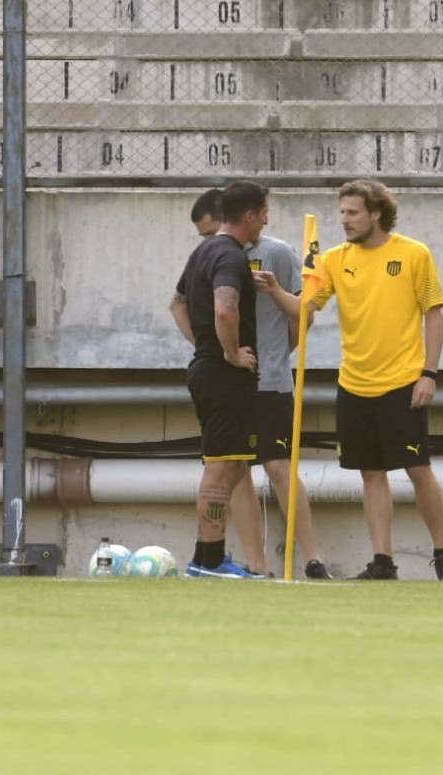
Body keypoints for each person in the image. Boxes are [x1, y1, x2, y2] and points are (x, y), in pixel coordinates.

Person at [255, 179, 443, 581]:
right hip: (353, 383)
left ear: (376, 214)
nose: (344, 220)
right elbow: (305, 307)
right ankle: (382, 561)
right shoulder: (333, 259)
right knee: (370, 472)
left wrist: (429, 373)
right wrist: (276, 290)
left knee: (418, 468)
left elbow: (433, 313)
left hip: (404, 381)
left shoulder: (414, 254)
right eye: (342, 213)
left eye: (352, 212)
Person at [174, 188, 333, 580]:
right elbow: (181, 303)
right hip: (230, 375)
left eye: (210, 228)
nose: (208, 236)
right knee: (233, 468)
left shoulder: (275, 252)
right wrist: (214, 348)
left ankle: (312, 558)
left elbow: (305, 313)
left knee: (277, 465)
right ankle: (253, 564)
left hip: (268, 379)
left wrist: (278, 350)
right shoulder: (219, 253)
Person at [168, 180, 266, 578]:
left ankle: (207, 556)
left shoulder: (203, 251)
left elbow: (177, 303)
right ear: (249, 216)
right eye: (263, 214)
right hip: (224, 372)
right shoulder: (229, 254)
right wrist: (227, 352)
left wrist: (204, 344)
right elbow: (225, 309)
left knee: (231, 463)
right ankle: (209, 560)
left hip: (209, 366)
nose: (265, 222)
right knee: (221, 466)